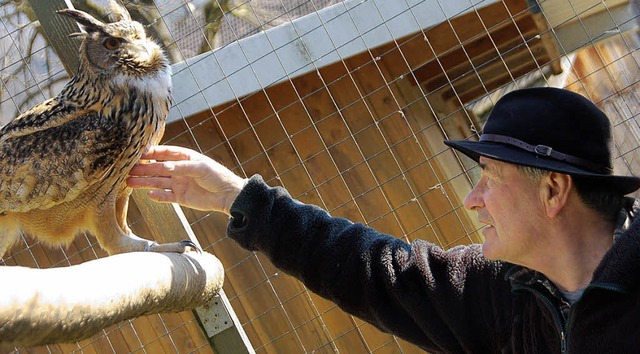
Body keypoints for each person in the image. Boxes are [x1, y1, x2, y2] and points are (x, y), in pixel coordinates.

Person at [127, 87, 640, 353]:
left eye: (490, 176)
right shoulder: (506, 294)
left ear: (552, 191)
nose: (473, 199)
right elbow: (376, 272)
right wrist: (238, 197)